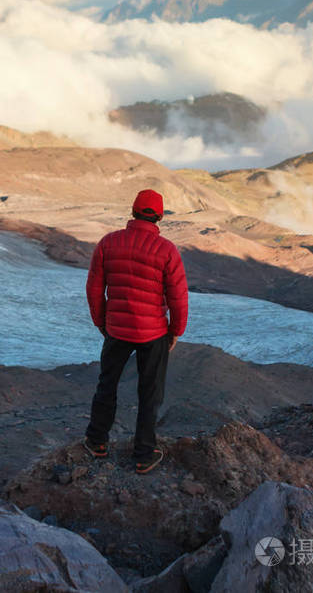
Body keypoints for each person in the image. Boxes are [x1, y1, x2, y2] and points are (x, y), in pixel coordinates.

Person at [84, 189, 188, 473]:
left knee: (107, 385)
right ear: (160, 217)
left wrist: (101, 322)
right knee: (149, 392)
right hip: (153, 333)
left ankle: (97, 441)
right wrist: (175, 331)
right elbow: (178, 296)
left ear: (132, 211)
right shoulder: (167, 251)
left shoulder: (109, 242)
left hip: (116, 329)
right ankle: (143, 453)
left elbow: (94, 288)